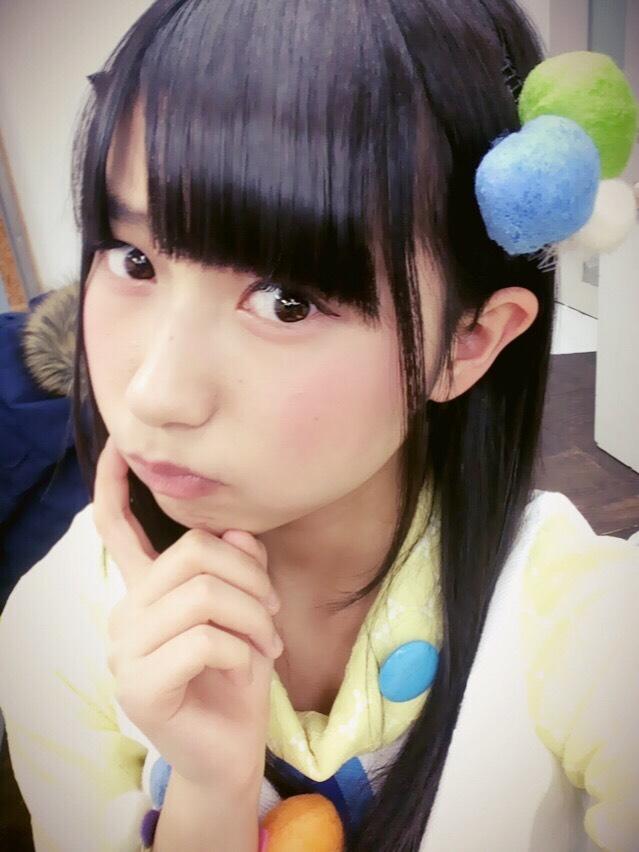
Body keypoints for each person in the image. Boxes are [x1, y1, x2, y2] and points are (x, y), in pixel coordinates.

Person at [0, 1, 637, 850]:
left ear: (467, 342)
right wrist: (209, 790)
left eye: (285, 301)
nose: (155, 393)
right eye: (135, 260)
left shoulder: (584, 624)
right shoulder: (57, 623)